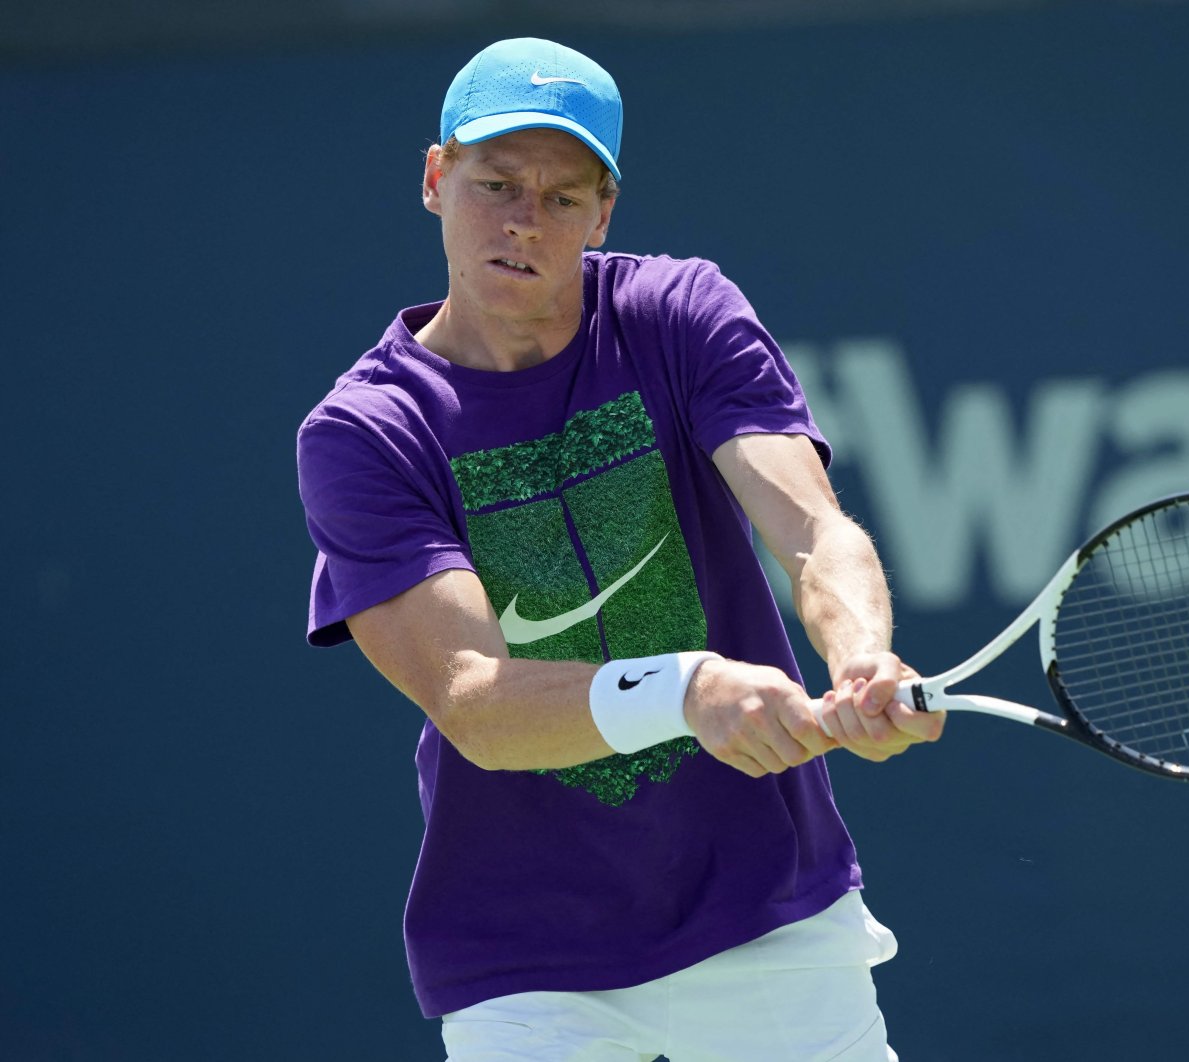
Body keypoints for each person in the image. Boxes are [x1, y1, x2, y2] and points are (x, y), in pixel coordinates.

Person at [295, 36, 944, 1061]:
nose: (523, 220)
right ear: (434, 178)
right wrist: (688, 688)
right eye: (495, 183)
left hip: (766, 908)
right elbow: (476, 700)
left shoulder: (678, 315)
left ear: (603, 213)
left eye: (562, 198)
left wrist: (858, 653)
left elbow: (811, 530)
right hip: (529, 962)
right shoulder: (366, 432)